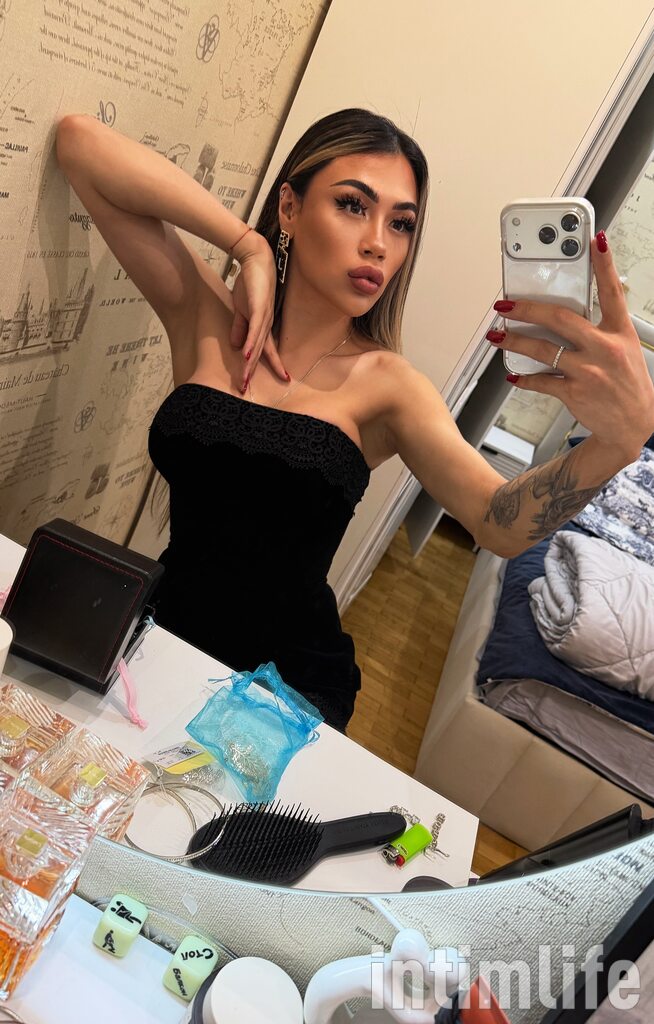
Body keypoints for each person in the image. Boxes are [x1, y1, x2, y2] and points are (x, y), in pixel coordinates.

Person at [55, 108, 654, 732]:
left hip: (281, 691)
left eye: (401, 223)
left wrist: (617, 443)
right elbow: (82, 145)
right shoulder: (206, 319)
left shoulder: (389, 386)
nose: (378, 243)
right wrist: (246, 244)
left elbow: (496, 520)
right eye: (352, 205)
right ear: (289, 208)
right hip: (159, 638)